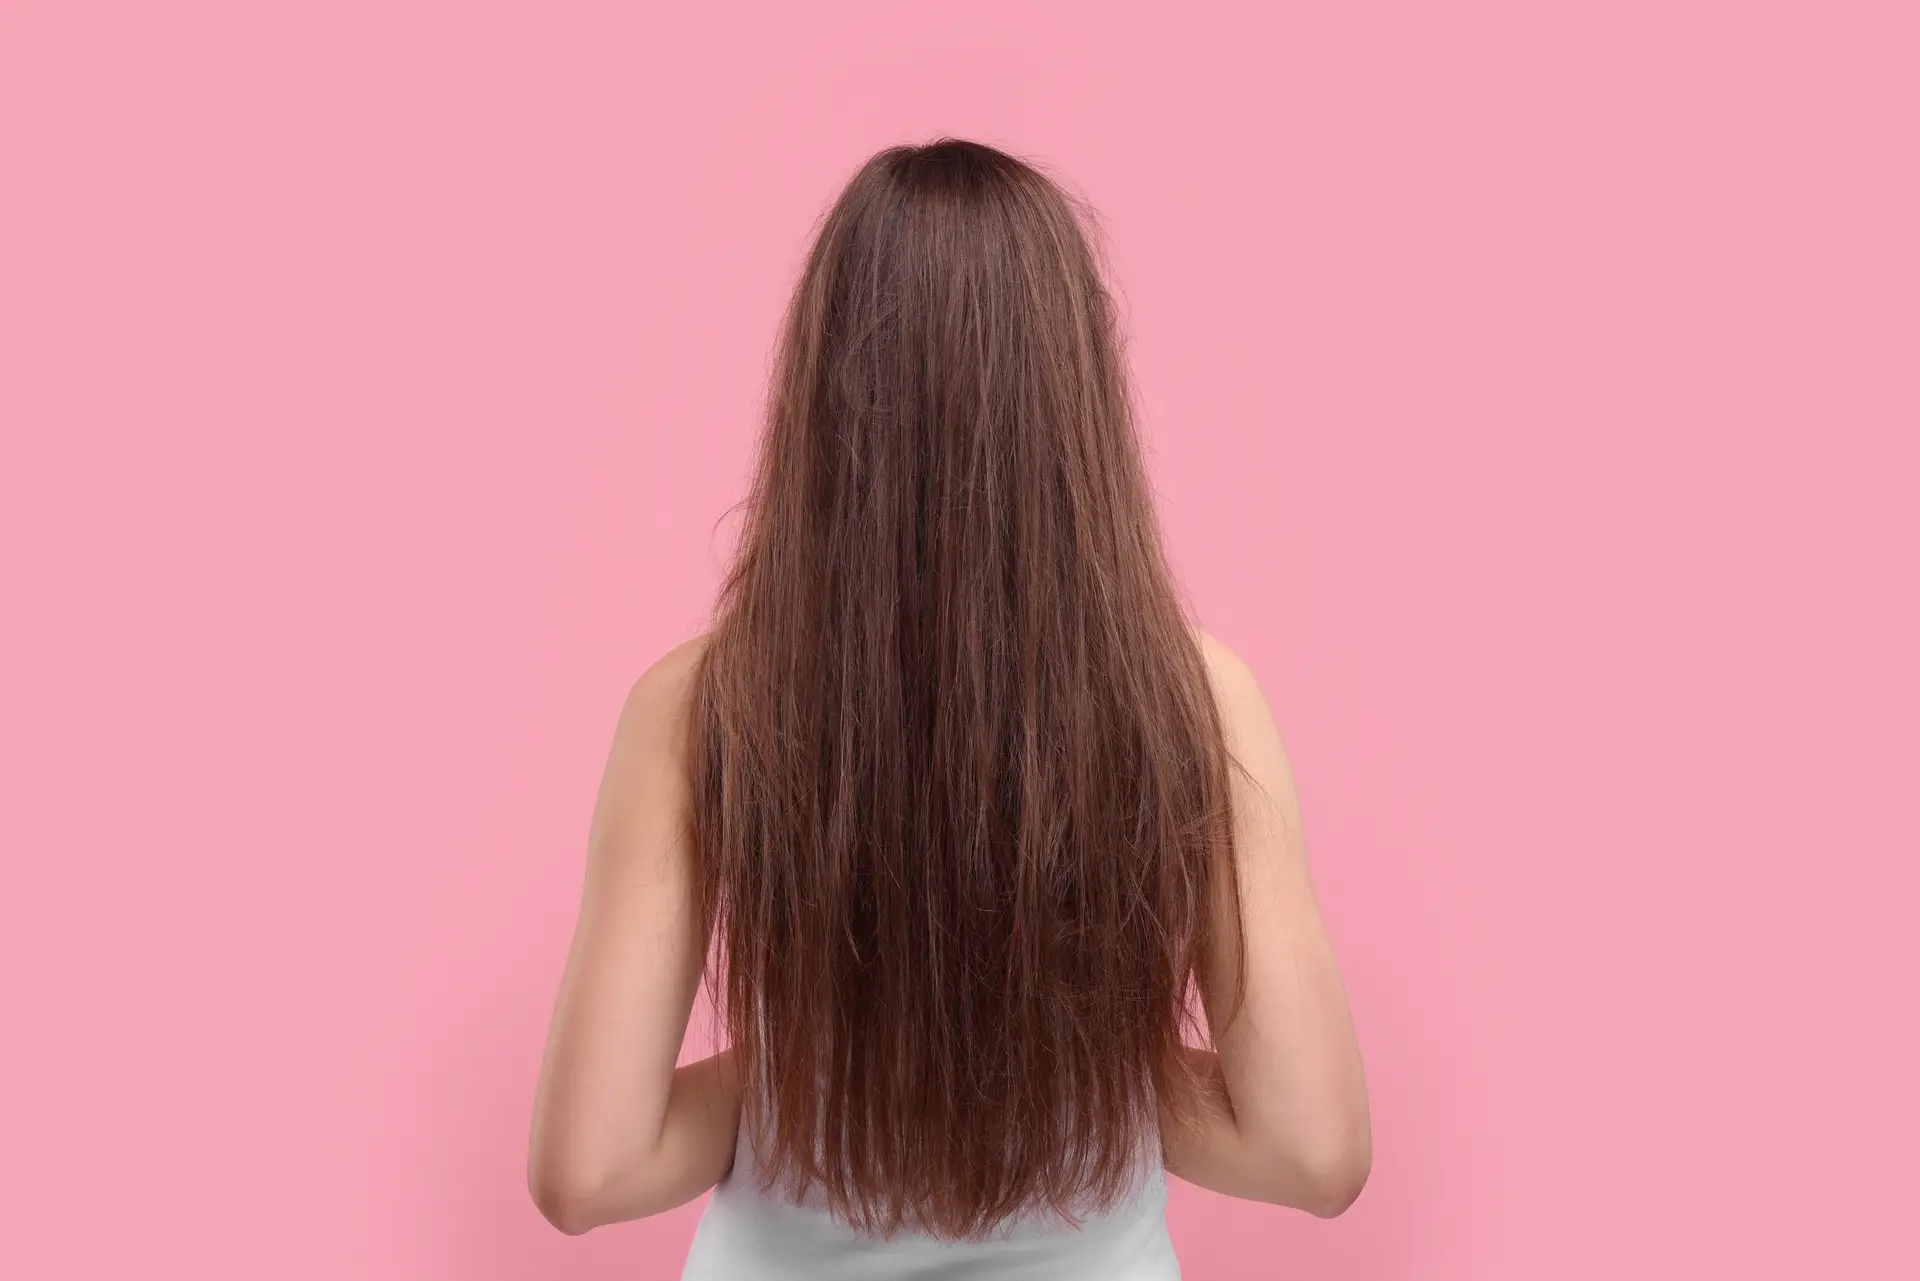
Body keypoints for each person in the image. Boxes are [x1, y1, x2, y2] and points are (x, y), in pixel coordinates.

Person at [528, 138, 1371, 1278]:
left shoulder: (699, 710)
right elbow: (1310, 1150)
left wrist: (832, 1072)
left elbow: (592, 1170)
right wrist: (1054, 1067)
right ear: (1077, 389)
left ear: (822, 383)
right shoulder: (1196, 701)